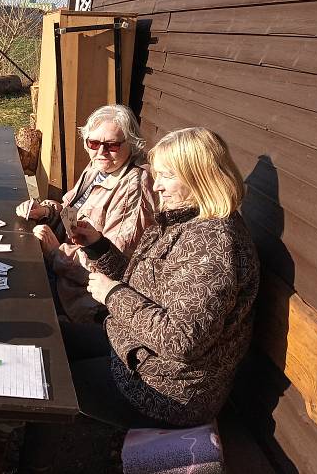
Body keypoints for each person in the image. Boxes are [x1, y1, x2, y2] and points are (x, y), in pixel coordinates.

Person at [22, 128, 260, 472]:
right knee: (51, 340)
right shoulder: (183, 219)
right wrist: (98, 246)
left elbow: (182, 341)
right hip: (134, 347)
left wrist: (113, 294)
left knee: (50, 380)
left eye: (165, 176)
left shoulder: (215, 245)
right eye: (156, 174)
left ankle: (35, 456)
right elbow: (145, 285)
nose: (157, 185)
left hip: (169, 389)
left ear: (199, 177)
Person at [16, 104, 155, 323]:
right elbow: (70, 211)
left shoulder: (133, 187)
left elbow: (114, 264)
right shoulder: (97, 169)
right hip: (62, 272)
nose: (101, 152)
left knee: (15, 291)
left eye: (112, 145)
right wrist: (44, 211)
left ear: (131, 144)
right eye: (94, 143)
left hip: (78, 296)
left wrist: (56, 253)